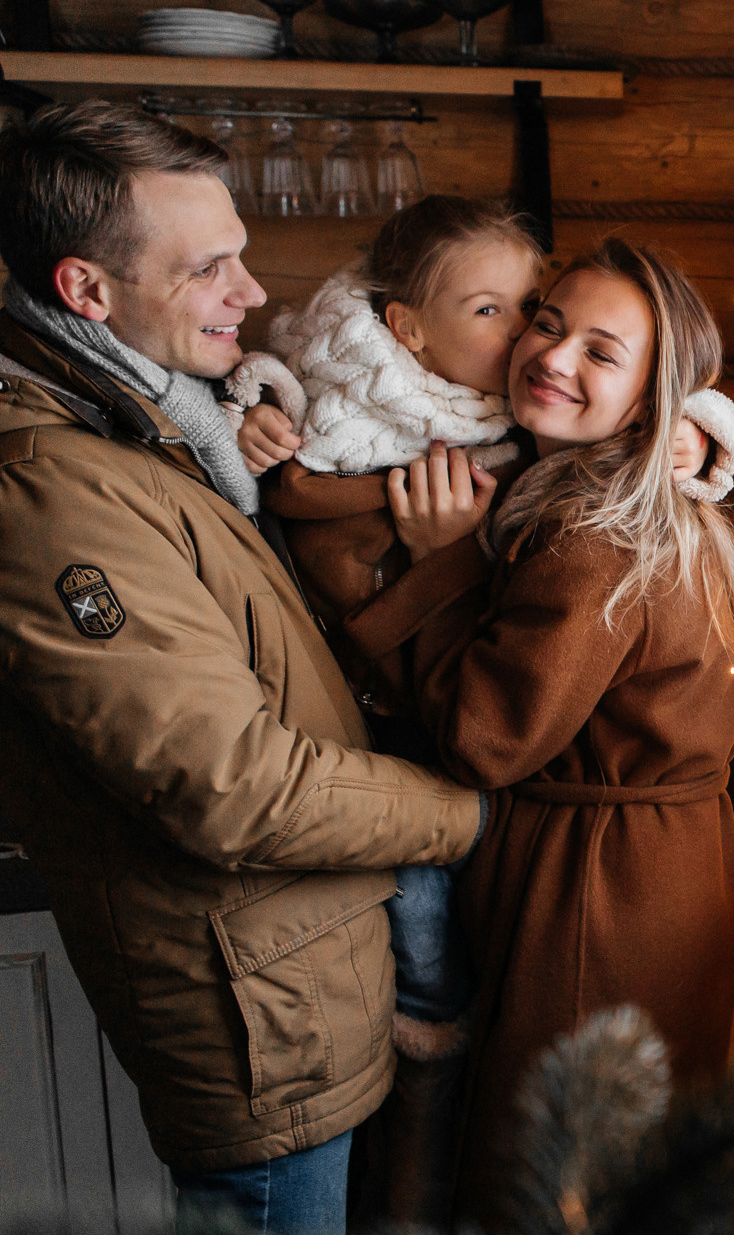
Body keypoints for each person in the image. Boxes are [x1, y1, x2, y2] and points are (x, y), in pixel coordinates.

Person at [0, 100, 485, 1235]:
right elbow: (235, 787)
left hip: (298, 977)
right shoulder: (50, 490)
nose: (253, 294)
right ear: (86, 293)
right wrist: (465, 817)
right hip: (255, 1017)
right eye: (212, 268)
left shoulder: (147, 419)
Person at [218, 195, 734, 1223]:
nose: (549, 355)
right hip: (643, 865)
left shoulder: (596, 537)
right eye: (546, 322)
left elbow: (485, 737)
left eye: (602, 352)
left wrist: (435, 563)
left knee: (548, 1180)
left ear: (649, 400)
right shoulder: (602, 492)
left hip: (599, 891)